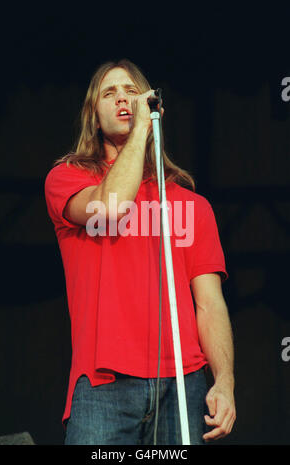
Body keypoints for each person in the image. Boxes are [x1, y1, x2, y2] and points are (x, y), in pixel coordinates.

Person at [44, 59, 236, 445]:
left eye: (132, 92)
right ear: (94, 118)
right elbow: (112, 205)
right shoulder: (68, 178)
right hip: (105, 384)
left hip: (183, 383)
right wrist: (141, 132)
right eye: (110, 93)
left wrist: (225, 381)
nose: (123, 100)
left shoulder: (190, 203)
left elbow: (209, 304)